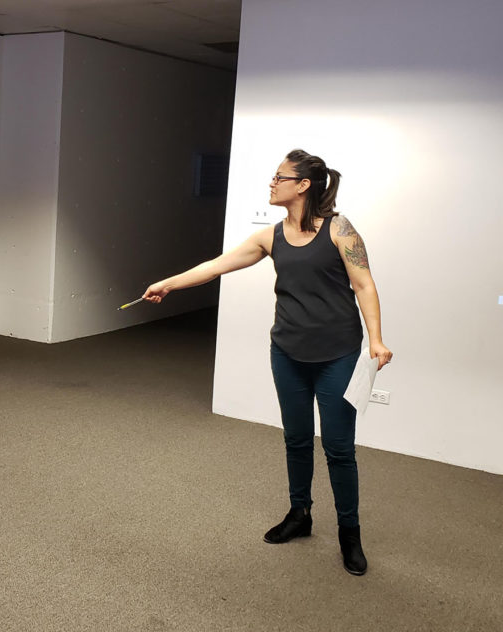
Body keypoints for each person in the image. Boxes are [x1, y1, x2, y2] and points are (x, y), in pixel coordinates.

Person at [142, 149, 392, 576]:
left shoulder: (340, 230)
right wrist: (169, 284)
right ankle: (301, 515)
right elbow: (217, 265)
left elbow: (364, 284)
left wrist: (377, 340)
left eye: (279, 177)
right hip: (288, 353)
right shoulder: (270, 236)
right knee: (296, 439)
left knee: (338, 449)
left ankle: (350, 533)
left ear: (303, 185)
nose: (271, 183)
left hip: (338, 356)